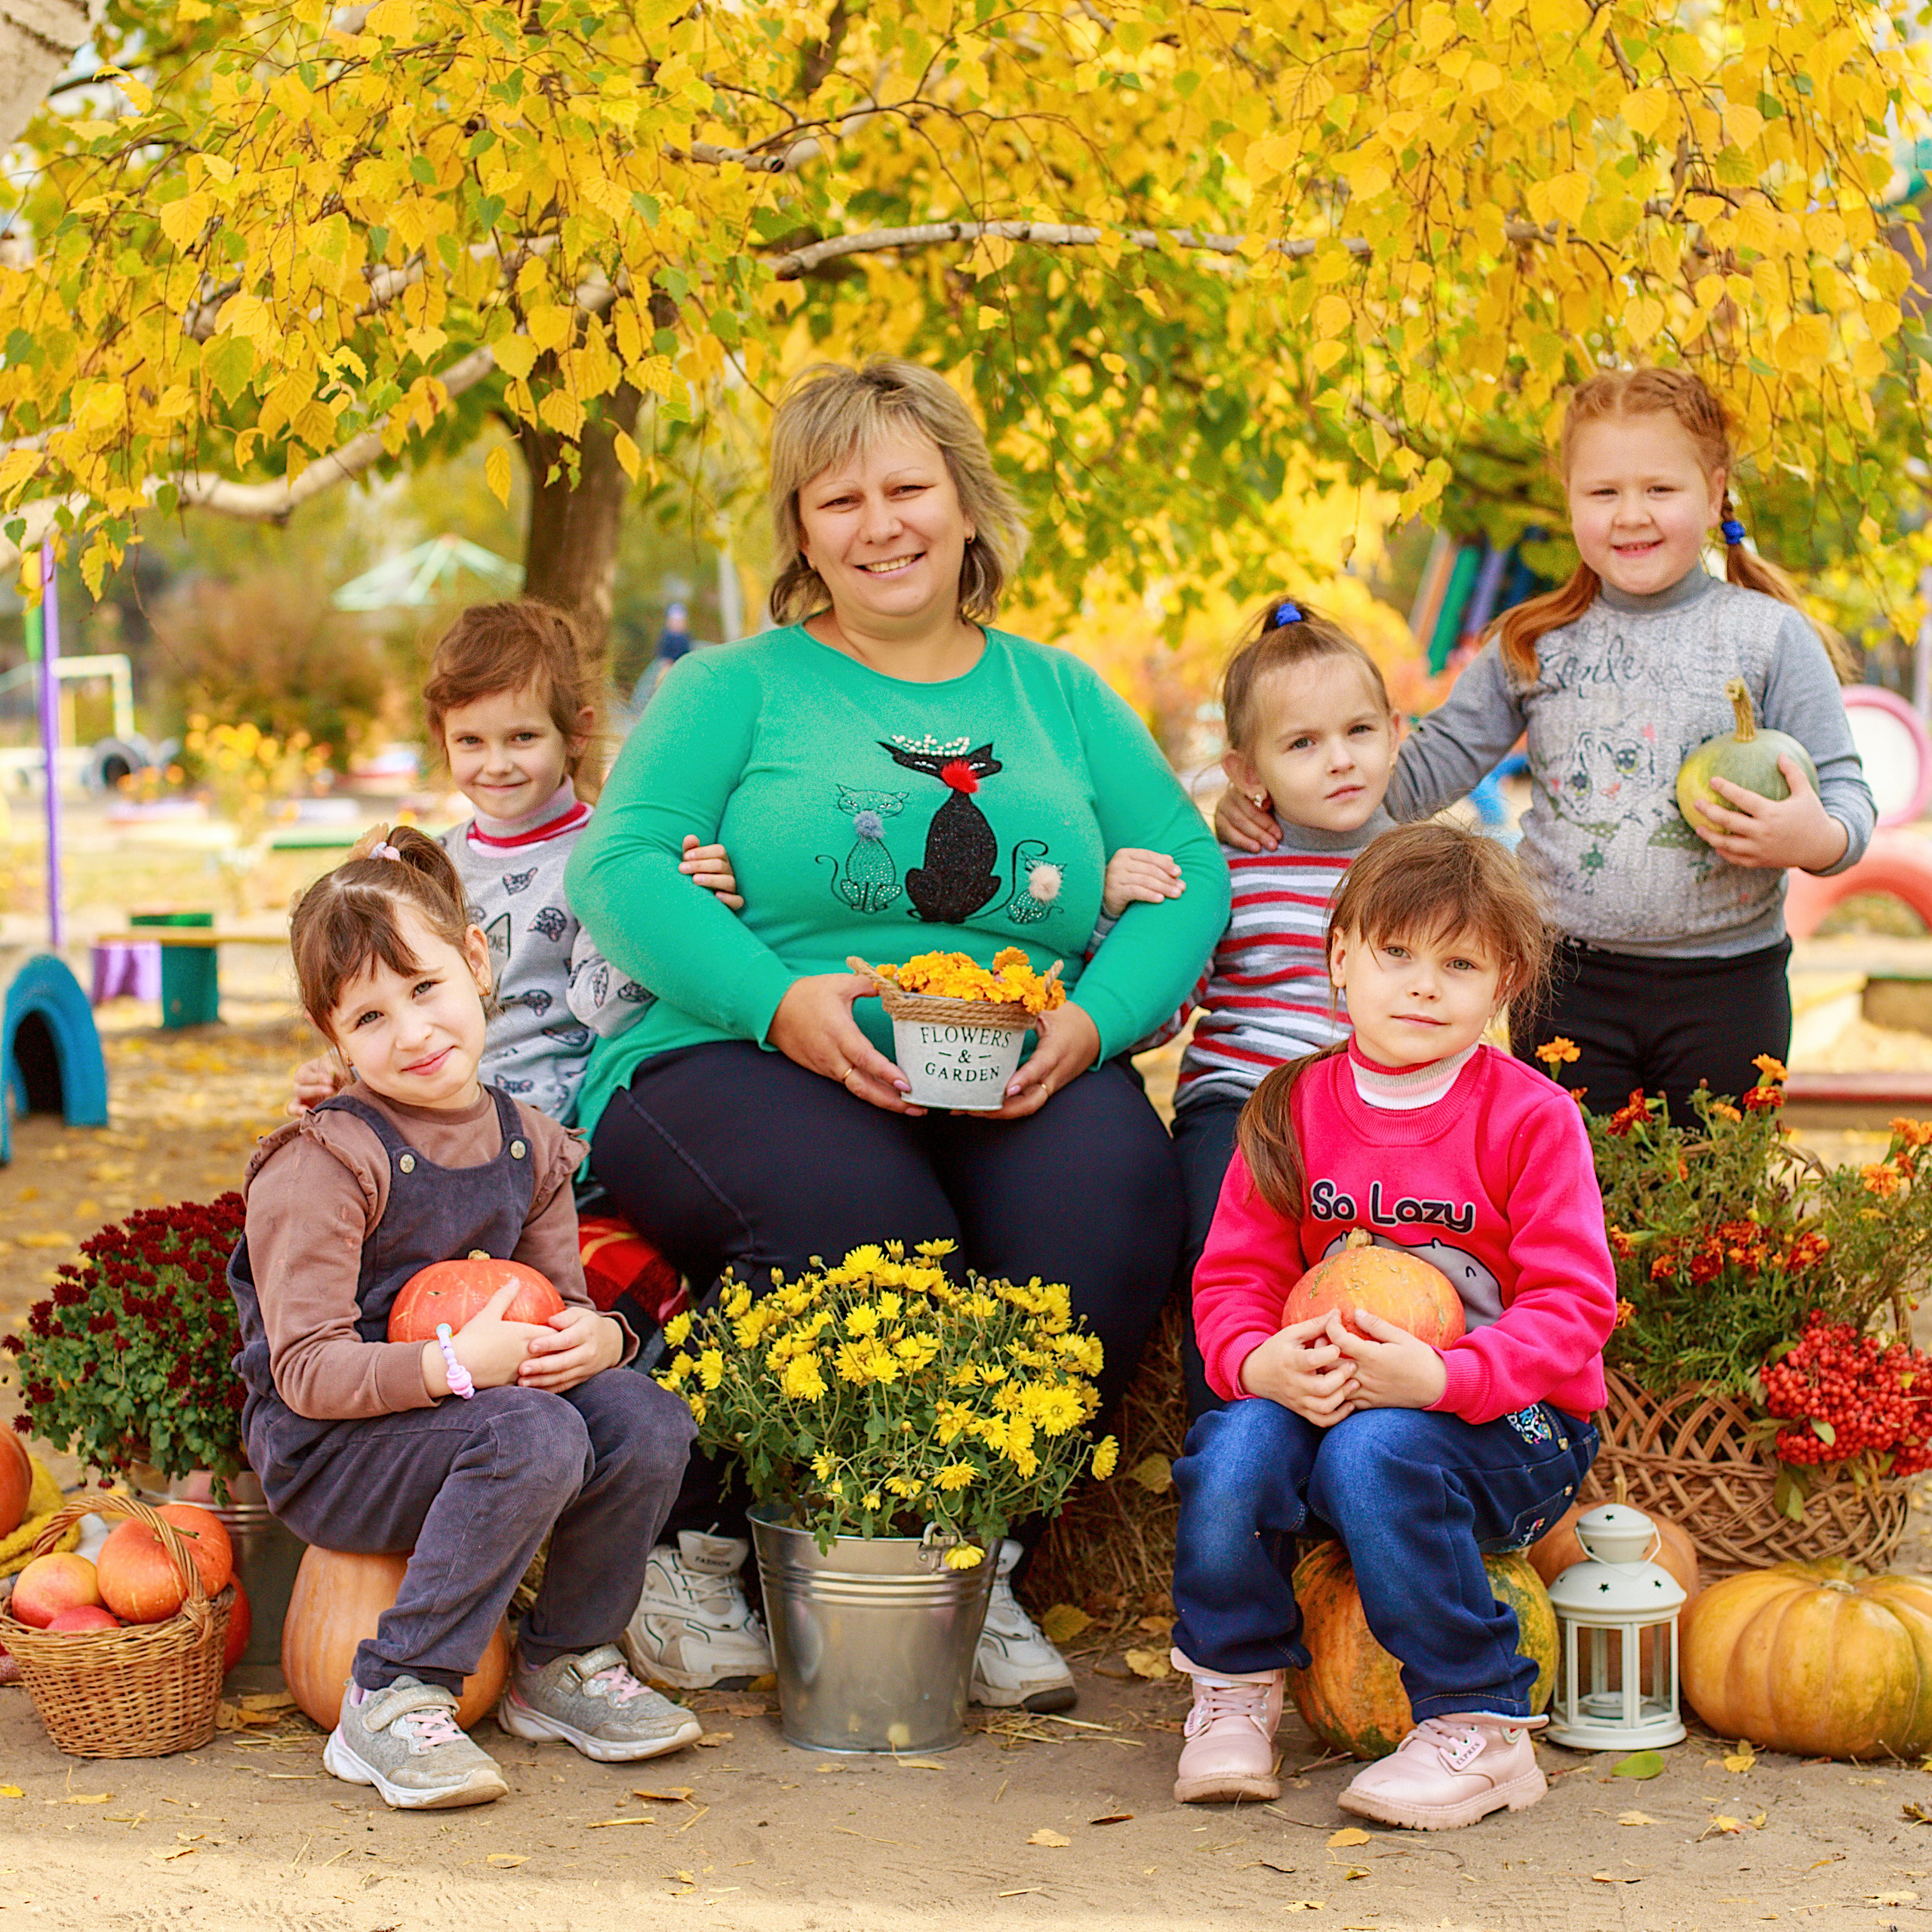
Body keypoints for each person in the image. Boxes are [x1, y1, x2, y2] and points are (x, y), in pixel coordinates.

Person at [567, 358, 1230, 1712]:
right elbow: (618, 867)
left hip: (1013, 1049)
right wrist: (782, 1002)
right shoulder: (732, 689)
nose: (882, 523)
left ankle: (977, 1565)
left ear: (967, 505)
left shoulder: (1059, 696)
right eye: (840, 497)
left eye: (908, 487)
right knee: (865, 1218)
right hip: (733, 1048)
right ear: (801, 531)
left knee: (1108, 1210)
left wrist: (1097, 1025)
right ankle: (692, 1550)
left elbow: (1188, 870)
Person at [1218, 368, 1875, 1121]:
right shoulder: (1533, 640)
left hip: (1728, 985)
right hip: (1563, 985)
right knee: (1569, 1208)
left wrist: (1815, 836)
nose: (1630, 515)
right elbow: (1411, 777)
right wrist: (1266, 807)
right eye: (1602, 493)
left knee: (1707, 1215)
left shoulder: (1767, 635)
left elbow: (1847, 795)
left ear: (1714, 488)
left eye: (1659, 490)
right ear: (1569, 499)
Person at [230, 828, 703, 1810]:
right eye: (369, 1015)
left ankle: (563, 1663)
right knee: (530, 1430)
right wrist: (455, 1366)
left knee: (648, 1416)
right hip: (335, 1448)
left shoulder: (528, 1146)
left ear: (477, 964)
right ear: (334, 1039)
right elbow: (307, 1372)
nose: (411, 1031)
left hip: (479, 1414)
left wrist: (601, 1338)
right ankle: (394, 1694)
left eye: (426, 988)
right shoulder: (322, 1164)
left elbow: (559, 1300)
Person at [1168, 823, 1614, 1830]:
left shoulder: (1530, 1119)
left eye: (1457, 964)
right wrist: (1259, 1361)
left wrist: (1448, 1380)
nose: (1422, 985)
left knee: (1377, 1453)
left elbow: (1575, 1308)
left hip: (1513, 1432)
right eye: (1395, 953)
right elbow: (1232, 1280)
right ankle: (1235, 1687)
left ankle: (1480, 1723)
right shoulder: (1289, 1110)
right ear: (1339, 958)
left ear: (1503, 981)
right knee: (1232, 1444)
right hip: (1328, 1413)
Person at [1098, 599, 1399, 1415]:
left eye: (1358, 732)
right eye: (1302, 743)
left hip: (1380, 1110)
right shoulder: (1226, 876)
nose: (1339, 760)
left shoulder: (1419, 872)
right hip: (1243, 1106)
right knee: (1223, 1257)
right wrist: (1117, 920)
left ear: (1396, 732)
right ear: (1247, 774)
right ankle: (1229, 1449)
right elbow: (1164, 1012)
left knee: (1403, 1265)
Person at [291, 599, 740, 1124]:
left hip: (550, 1117)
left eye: (522, 737)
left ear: (576, 731)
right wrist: (343, 1069)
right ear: (443, 738)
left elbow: (609, 1008)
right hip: (426, 1102)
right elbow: (383, 995)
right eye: (471, 741)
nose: (497, 764)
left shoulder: (609, 853)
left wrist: (674, 912)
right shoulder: (422, 864)